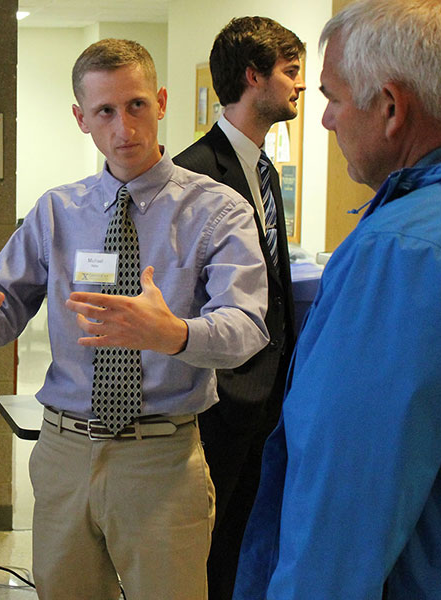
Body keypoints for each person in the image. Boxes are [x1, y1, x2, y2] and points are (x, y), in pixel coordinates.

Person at [0, 39, 270, 599]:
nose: (123, 127)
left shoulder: (216, 210)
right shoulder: (57, 212)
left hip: (161, 459)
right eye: (105, 112)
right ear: (81, 118)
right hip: (64, 454)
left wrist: (174, 334)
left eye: (136, 105)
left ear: (161, 101)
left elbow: (247, 329)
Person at [233, 1, 441, 598]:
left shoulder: (407, 251)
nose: (324, 119)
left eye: (332, 96)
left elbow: (346, 497)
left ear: (391, 108)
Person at [172, 17, 303, 600]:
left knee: (244, 545)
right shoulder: (193, 174)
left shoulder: (264, 170)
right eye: (290, 71)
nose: (300, 86)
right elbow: (180, 296)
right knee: (206, 551)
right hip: (219, 401)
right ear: (253, 76)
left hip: (268, 394)